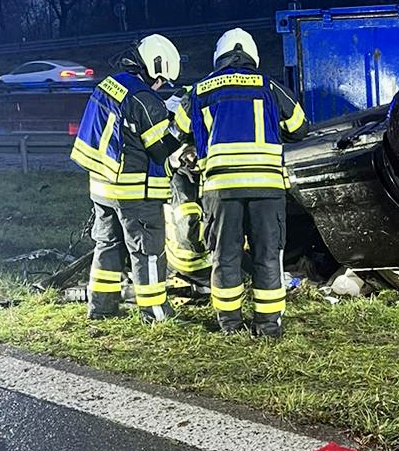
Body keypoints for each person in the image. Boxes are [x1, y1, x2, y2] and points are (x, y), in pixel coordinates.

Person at [172, 28, 310, 337]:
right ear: (252, 55)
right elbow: (300, 127)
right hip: (267, 188)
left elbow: (179, 130)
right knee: (267, 256)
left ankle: (230, 325)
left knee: (225, 256)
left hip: (220, 190)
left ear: (218, 56)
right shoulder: (270, 86)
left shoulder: (199, 90)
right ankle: (268, 327)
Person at [71, 34, 182, 323]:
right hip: (134, 190)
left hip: (101, 186)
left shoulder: (108, 84)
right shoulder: (144, 98)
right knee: (147, 251)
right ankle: (156, 313)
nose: (160, 87)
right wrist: (180, 125)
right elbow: (160, 150)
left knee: (107, 245)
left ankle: (101, 308)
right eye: (161, 81)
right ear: (153, 68)